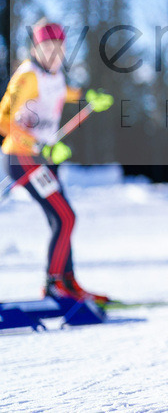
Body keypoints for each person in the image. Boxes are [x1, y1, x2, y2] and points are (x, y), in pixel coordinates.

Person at [0, 19, 114, 303]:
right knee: (65, 217)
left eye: (59, 49)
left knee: (61, 218)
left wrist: (87, 96)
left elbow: (62, 91)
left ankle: (68, 283)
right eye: (47, 48)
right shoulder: (27, 77)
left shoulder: (54, 75)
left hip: (42, 160)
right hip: (22, 157)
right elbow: (3, 120)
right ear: (35, 49)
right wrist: (38, 145)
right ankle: (54, 285)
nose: (54, 54)